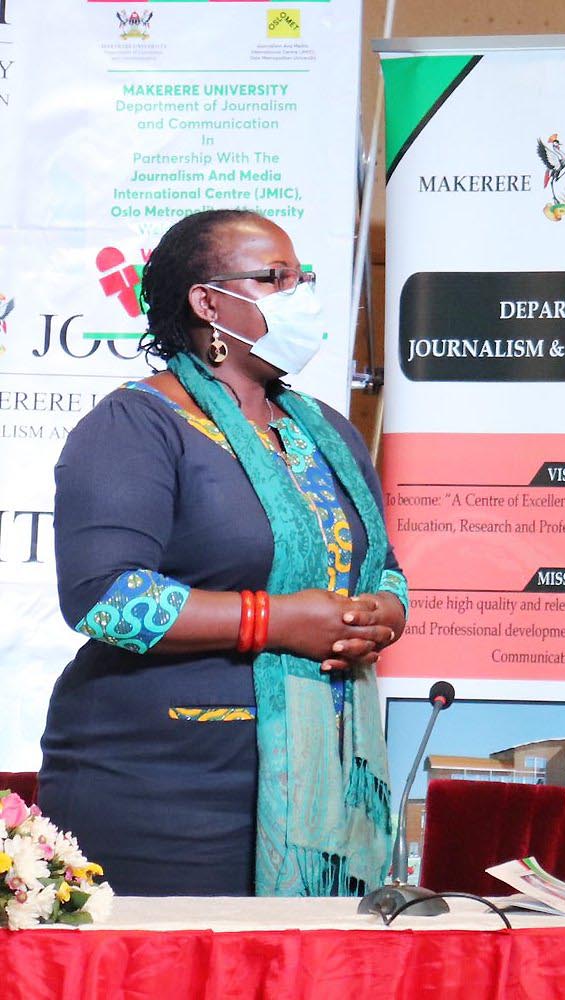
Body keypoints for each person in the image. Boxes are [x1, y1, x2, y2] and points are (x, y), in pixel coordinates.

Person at [39, 209, 408, 897]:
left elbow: (381, 563)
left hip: (321, 792)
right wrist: (274, 621)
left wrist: (385, 610)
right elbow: (104, 600)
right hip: (167, 789)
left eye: (304, 278)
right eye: (275, 279)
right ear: (207, 302)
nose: (301, 296)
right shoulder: (136, 426)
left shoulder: (324, 428)